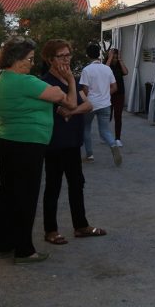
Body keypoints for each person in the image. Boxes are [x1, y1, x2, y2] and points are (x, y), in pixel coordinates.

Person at [0, 38, 78, 264]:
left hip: (6, 140)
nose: (31, 64)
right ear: (17, 60)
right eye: (29, 59)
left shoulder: (4, 79)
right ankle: (24, 250)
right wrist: (69, 80)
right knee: (26, 197)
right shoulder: (26, 82)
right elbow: (70, 103)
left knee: (8, 195)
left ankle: (5, 243)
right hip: (26, 144)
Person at [40, 40, 108, 246]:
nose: (66, 59)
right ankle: (50, 230)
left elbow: (87, 105)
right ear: (50, 59)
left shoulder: (72, 80)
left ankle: (81, 225)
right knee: (53, 185)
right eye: (61, 56)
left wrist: (72, 110)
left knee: (77, 184)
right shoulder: (46, 83)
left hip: (72, 141)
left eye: (68, 55)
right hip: (55, 142)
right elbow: (66, 105)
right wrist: (71, 101)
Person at [80, 44, 122, 166]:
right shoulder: (107, 69)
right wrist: (104, 94)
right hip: (105, 104)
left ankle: (90, 155)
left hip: (90, 104)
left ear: (87, 55)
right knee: (104, 131)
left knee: (86, 128)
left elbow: (85, 90)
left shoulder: (87, 70)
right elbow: (115, 87)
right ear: (99, 54)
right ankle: (113, 145)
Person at [105, 48, 128, 146]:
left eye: (115, 57)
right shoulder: (106, 64)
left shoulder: (119, 64)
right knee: (107, 116)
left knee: (118, 116)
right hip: (108, 93)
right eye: (113, 57)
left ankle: (117, 138)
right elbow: (104, 70)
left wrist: (120, 60)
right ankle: (106, 135)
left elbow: (126, 72)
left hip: (120, 93)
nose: (114, 59)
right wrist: (109, 58)